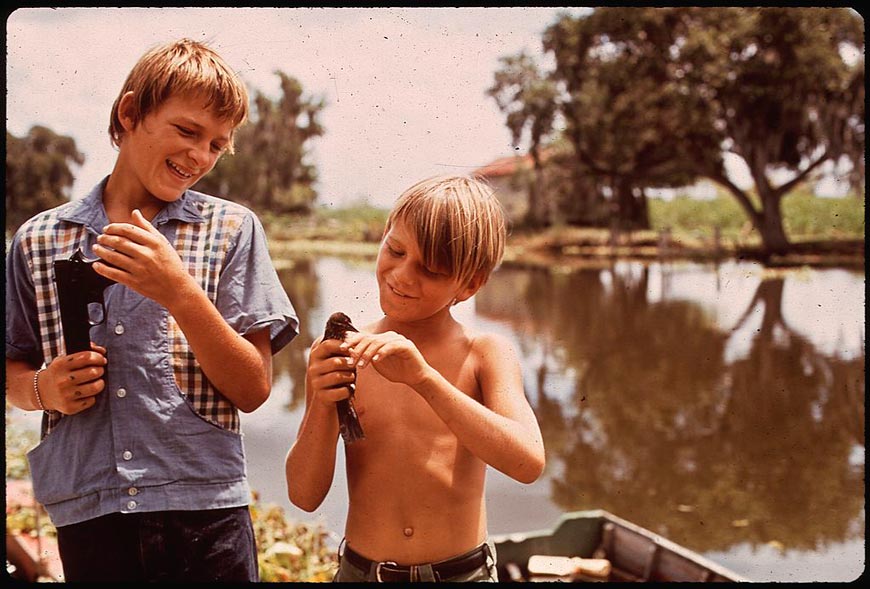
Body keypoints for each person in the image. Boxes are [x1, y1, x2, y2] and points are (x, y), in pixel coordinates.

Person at [5, 38, 298, 582]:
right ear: (130, 112)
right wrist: (45, 389)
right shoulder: (37, 240)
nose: (199, 156)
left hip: (206, 513)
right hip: (89, 511)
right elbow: (12, 373)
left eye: (217, 145)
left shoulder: (232, 230)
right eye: (187, 131)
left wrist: (180, 292)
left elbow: (255, 388)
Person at [285, 175, 545, 582]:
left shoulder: (484, 353)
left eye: (430, 269)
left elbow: (528, 462)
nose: (403, 275)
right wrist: (321, 400)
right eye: (395, 250)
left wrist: (424, 379)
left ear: (470, 284)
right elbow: (303, 495)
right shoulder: (343, 351)